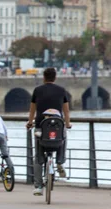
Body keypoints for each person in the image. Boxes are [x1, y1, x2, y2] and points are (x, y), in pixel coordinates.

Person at [27, 67, 71, 196]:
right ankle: (59, 161)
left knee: (38, 157)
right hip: (57, 125)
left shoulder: (37, 90)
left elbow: (32, 110)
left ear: (44, 78)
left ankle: (38, 186)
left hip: (41, 126)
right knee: (62, 138)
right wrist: (67, 124)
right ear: (55, 77)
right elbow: (66, 110)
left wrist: (30, 122)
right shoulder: (61, 90)